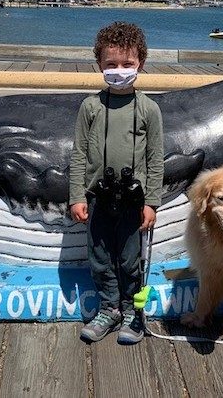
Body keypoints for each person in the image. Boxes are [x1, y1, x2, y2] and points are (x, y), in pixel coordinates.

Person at [69, 22, 164, 344]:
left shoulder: (149, 109)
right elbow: (79, 154)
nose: (119, 71)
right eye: (111, 65)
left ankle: (132, 311)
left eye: (127, 64)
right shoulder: (90, 107)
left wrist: (152, 202)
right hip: (97, 198)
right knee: (99, 258)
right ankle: (109, 308)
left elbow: (155, 158)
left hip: (133, 202)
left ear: (141, 64)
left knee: (129, 259)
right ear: (99, 65)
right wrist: (76, 196)